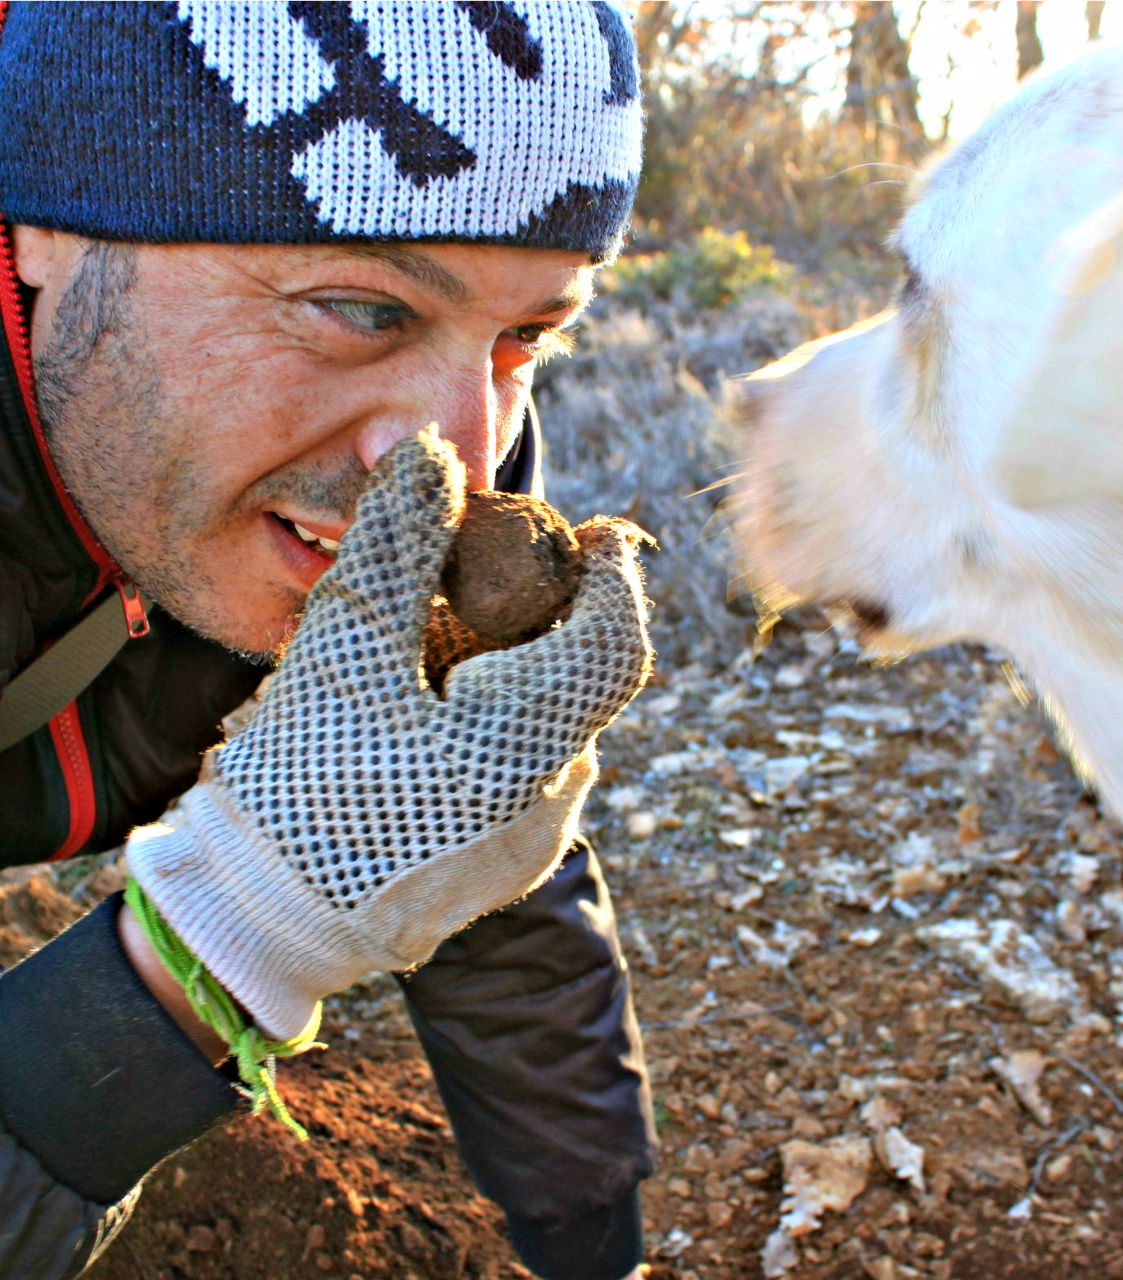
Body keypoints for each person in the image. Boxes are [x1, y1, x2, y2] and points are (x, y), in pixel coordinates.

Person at [0, 4, 657, 1278]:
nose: (462, 458)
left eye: (523, 335)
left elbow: (453, 815)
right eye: (361, 305)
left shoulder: (410, 462)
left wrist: (589, 1235)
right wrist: (222, 940)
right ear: (43, 230)